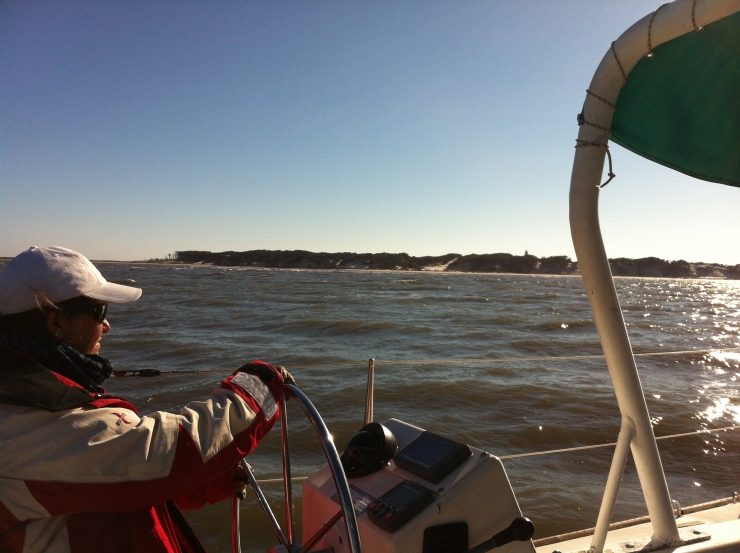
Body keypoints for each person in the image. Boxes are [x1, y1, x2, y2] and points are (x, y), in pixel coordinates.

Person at [0, 246, 295, 553]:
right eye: (100, 311)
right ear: (57, 323)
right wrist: (258, 386)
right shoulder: (28, 415)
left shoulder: (22, 391)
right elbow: (163, 454)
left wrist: (204, 482)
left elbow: (98, 482)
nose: (107, 326)